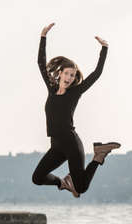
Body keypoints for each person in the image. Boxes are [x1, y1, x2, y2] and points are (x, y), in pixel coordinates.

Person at [32, 22, 120, 198]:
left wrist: (105, 48)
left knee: (80, 188)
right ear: (60, 73)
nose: (69, 77)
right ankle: (63, 183)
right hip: (56, 146)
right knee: (37, 177)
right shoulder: (51, 88)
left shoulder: (75, 92)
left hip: (71, 144)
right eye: (67, 73)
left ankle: (98, 156)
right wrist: (43, 36)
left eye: (72, 75)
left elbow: (96, 74)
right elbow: (40, 62)